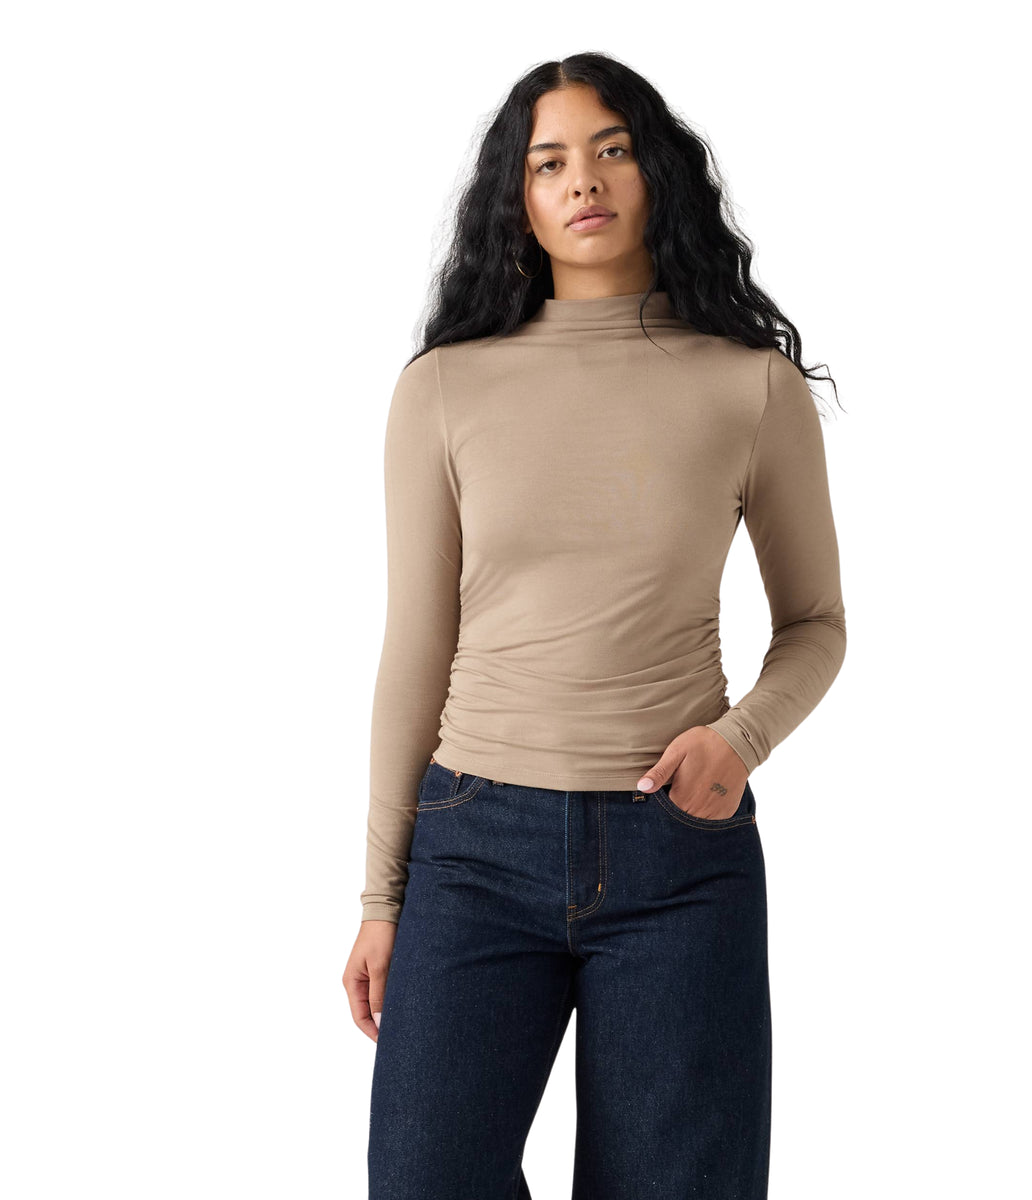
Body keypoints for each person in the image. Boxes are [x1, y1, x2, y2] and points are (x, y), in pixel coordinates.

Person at [342, 52, 847, 1200]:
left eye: (612, 149)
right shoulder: (445, 389)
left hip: (679, 850)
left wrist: (741, 740)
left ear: (656, 171)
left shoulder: (749, 386)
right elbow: (415, 649)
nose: (584, 179)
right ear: (516, 199)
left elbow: (816, 622)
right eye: (550, 161)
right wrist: (380, 900)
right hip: (474, 846)